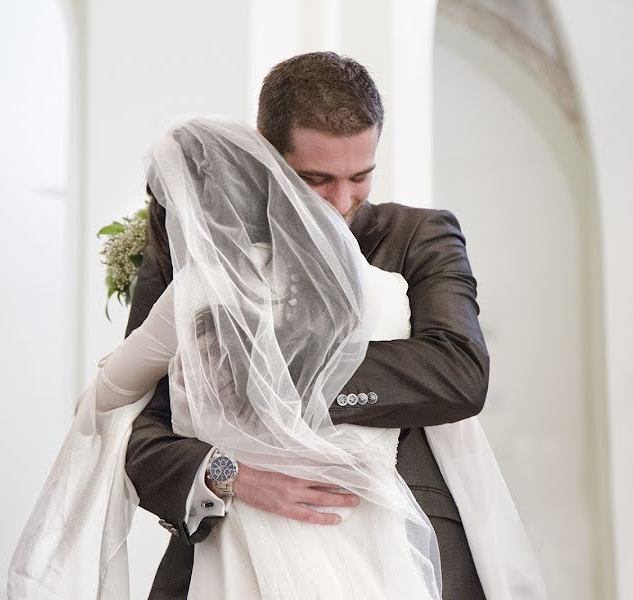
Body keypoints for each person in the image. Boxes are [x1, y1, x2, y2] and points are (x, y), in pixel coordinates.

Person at [126, 52, 491, 599]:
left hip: (402, 550)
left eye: (360, 176)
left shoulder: (418, 236)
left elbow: (458, 372)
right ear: (264, 155)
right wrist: (229, 472)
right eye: (316, 179)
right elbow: (136, 426)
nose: (342, 202)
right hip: (232, 552)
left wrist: (266, 385)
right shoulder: (196, 258)